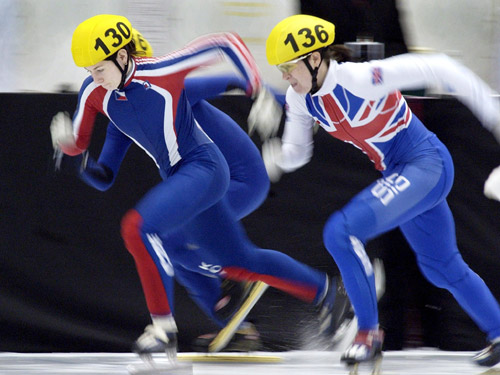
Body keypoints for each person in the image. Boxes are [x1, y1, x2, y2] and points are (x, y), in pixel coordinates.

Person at [50, 14, 350, 360]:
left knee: (148, 232)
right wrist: (74, 153)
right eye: (89, 72)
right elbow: (103, 175)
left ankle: (173, 324)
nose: (94, 78)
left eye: (98, 69)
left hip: (217, 172)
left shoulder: (164, 78)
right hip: (190, 179)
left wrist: (261, 90)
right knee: (231, 259)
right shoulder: (105, 98)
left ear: (124, 57)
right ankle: (324, 294)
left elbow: (225, 53)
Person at [262, 14, 500, 367]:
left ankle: (368, 334)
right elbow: (298, 152)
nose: (284, 76)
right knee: (441, 267)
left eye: (288, 67)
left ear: (315, 59)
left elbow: (441, 68)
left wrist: (495, 120)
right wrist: (273, 159)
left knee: (341, 232)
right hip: (404, 173)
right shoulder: (301, 98)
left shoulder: (360, 78)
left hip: (426, 163)